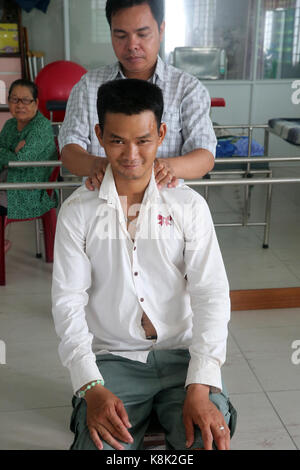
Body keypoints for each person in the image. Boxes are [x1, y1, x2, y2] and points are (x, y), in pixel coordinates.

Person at [52, 78, 236, 451]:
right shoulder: (77, 212)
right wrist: (91, 384)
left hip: (183, 358)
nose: (131, 154)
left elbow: (211, 295)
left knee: (207, 441)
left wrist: (201, 383)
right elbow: (67, 302)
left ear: (162, 133)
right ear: (100, 135)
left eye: (143, 140)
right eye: (118, 140)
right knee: (100, 447)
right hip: (114, 361)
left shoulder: (187, 207)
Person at [58, 0, 216, 191]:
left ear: (161, 29)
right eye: (121, 35)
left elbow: (205, 156)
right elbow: (69, 150)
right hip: (101, 207)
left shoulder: (187, 89)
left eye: (143, 34)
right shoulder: (88, 87)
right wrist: (99, 166)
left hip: (163, 210)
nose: (132, 45)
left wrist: (167, 167)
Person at [0, 79, 58, 252]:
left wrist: (9, 155)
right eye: (14, 99)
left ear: (36, 103)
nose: (20, 105)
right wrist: (12, 154)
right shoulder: (10, 124)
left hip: (31, 190)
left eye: (26, 100)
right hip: (8, 182)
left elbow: (20, 163)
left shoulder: (41, 127)